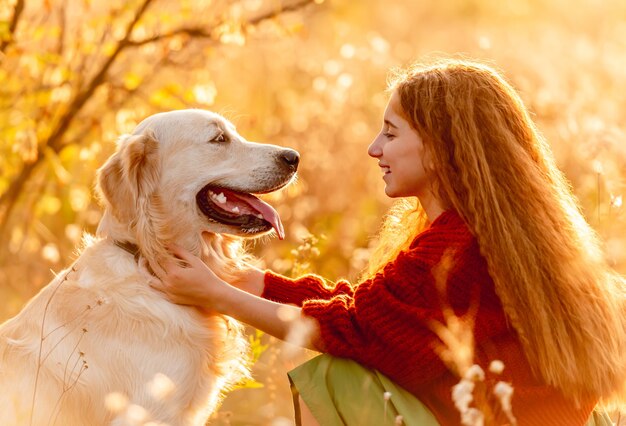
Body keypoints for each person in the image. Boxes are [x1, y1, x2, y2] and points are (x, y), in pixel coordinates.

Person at [151, 59, 626, 425]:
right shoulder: (484, 233)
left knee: (339, 378)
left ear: (442, 148)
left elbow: (356, 333)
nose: (374, 148)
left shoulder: (458, 249)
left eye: (391, 133)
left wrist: (217, 295)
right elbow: (367, 312)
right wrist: (247, 280)